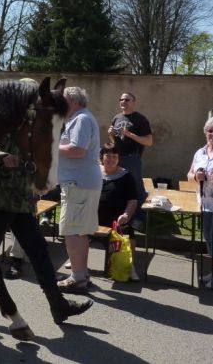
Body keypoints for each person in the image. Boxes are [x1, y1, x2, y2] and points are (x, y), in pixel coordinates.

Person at [0, 80, 92, 324]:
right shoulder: (3, 119)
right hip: (3, 192)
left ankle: (58, 305)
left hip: (21, 193)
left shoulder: (32, 121)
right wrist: (1, 156)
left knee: (33, 249)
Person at [57, 86, 102, 292]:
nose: (59, 105)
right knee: (81, 232)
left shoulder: (81, 119)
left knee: (72, 232)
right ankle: (81, 274)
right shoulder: (82, 118)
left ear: (74, 101)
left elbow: (77, 149)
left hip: (78, 183)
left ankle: (77, 277)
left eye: (62, 100)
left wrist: (51, 146)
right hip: (82, 182)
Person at [108, 92, 153, 228]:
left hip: (132, 158)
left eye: (127, 99)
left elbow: (149, 141)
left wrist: (130, 134)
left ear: (134, 102)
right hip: (117, 158)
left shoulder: (140, 119)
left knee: (137, 189)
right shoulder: (116, 117)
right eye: (121, 99)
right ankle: (121, 217)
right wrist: (110, 135)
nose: (123, 101)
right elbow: (115, 142)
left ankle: (138, 218)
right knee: (117, 188)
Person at [98, 143, 139, 282]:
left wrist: (126, 215)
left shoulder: (126, 176)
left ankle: (130, 266)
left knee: (128, 231)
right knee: (76, 228)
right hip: (93, 218)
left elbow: (133, 200)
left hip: (116, 220)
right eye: (107, 156)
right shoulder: (93, 173)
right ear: (101, 157)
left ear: (118, 158)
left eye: (114, 156)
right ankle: (77, 261)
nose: (111, 159)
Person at [186, 116, 213, 289]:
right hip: (204, 204)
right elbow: (189, 175)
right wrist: (196, 177)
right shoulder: (200, 152)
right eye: (210, 131)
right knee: (210, 241)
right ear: (205, 133)